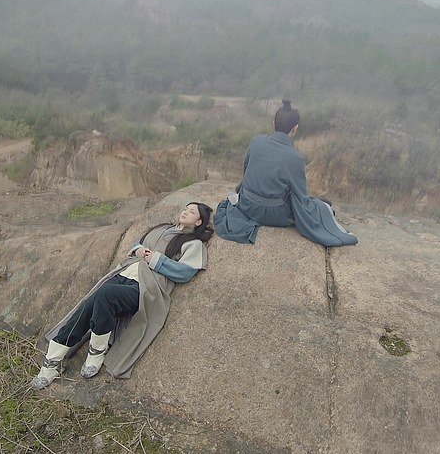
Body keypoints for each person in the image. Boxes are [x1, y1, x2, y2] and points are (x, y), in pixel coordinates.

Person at [31, 202, 213, 389]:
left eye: (192, 212)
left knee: (105, 294)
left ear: (199, 222)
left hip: (146, 287)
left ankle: (96, 351)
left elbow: (186, 272)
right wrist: (138, 250)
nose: (185, 212)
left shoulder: (193, 243)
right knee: (89, 305)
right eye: (185, 208)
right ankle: (52, 362)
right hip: (123, 274)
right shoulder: (161, 228)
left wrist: (157, 260)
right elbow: (137, 244)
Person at [214, 99, 358, 247]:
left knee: (315, 203)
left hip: (247, 205)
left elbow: (246, 172)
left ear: (273, 123)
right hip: (274, 215)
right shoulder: (295, 157)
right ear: (295, 129)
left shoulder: (256, 141)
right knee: (321, 207)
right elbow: (300, 196)